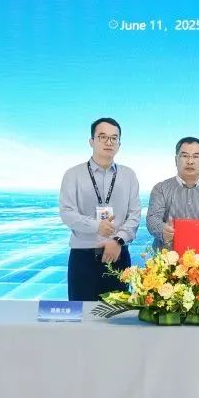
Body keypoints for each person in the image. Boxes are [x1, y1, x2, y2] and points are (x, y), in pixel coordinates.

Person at [59, 117, 141, 301]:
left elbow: (135, 215)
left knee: (117, 313)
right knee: (81, 313)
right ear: (91, 141)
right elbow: (67, 213)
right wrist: (97, 226)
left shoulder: (128, 175)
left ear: (119, 144)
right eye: (103, 137)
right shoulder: (73, 175)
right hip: (83, 256)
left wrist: (118, 240)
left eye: (114, 138)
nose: (108, 142)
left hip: (118, 254)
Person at [146, 137, 199, 252]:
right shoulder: (160, 188)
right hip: (165, 260)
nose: (190, 161)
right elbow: (152, 219)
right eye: (185, 156)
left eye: (196, 156)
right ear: (176, 160)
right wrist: (163, 229)